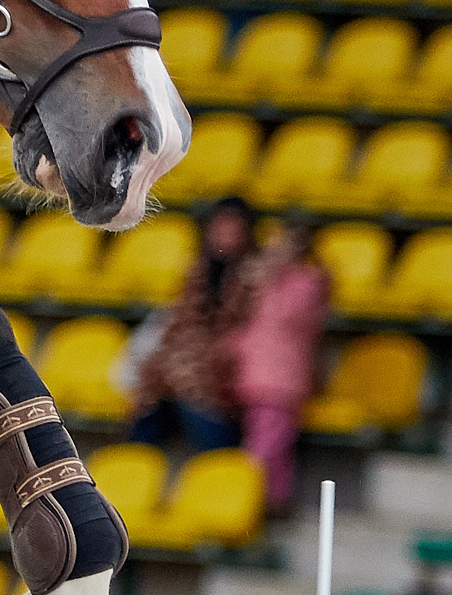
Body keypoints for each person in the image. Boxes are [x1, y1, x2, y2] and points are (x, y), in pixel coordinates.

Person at [126, 199, 258, 456]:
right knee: (149, 407)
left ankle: (219, 469)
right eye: (220, 226)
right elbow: (179, 322)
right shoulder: (196, 272)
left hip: (221, 372)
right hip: (178, 368)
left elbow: (243, 331)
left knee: (200, 405)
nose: (225, 235)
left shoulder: (251, 277)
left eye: (233, 228)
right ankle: (130, 472)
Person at [231, 220, 330, 508]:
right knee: (266, 443)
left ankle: (263, 502)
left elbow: (292, 318)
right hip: (253, 375)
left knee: (266, 448)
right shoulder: (259, 281)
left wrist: (271, 278)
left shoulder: (307, 282)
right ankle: (266, 501)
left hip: (281, 380)